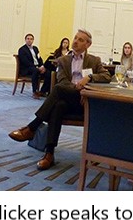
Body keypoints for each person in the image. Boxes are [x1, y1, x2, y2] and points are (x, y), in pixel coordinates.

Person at [8, 29, 111, 170]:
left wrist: (89, 77)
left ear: (88, 44)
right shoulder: (63, 60)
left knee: (56, 91)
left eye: (81, 40)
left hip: (84, 103)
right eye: (75, 38)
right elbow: (62, 82)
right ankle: (49, 154)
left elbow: (107, 77)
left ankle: (33, 127)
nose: (75, 41)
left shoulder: (94, 61)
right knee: (58, 105)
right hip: (69, 98)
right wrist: (78, 89)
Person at [18, 33, 48, 99]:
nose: (29, 40)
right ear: (25, 40)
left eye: (31, 39)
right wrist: (37, 68)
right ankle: (35, 92)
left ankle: (43, 91)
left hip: (36, 67)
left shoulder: (35, 48)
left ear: (33, 40)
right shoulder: (22, 50)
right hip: (27, 68)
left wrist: (42, 66)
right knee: (35, 71)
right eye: (28, 39)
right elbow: (25, 62)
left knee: (48, 72)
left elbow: (39, 58)